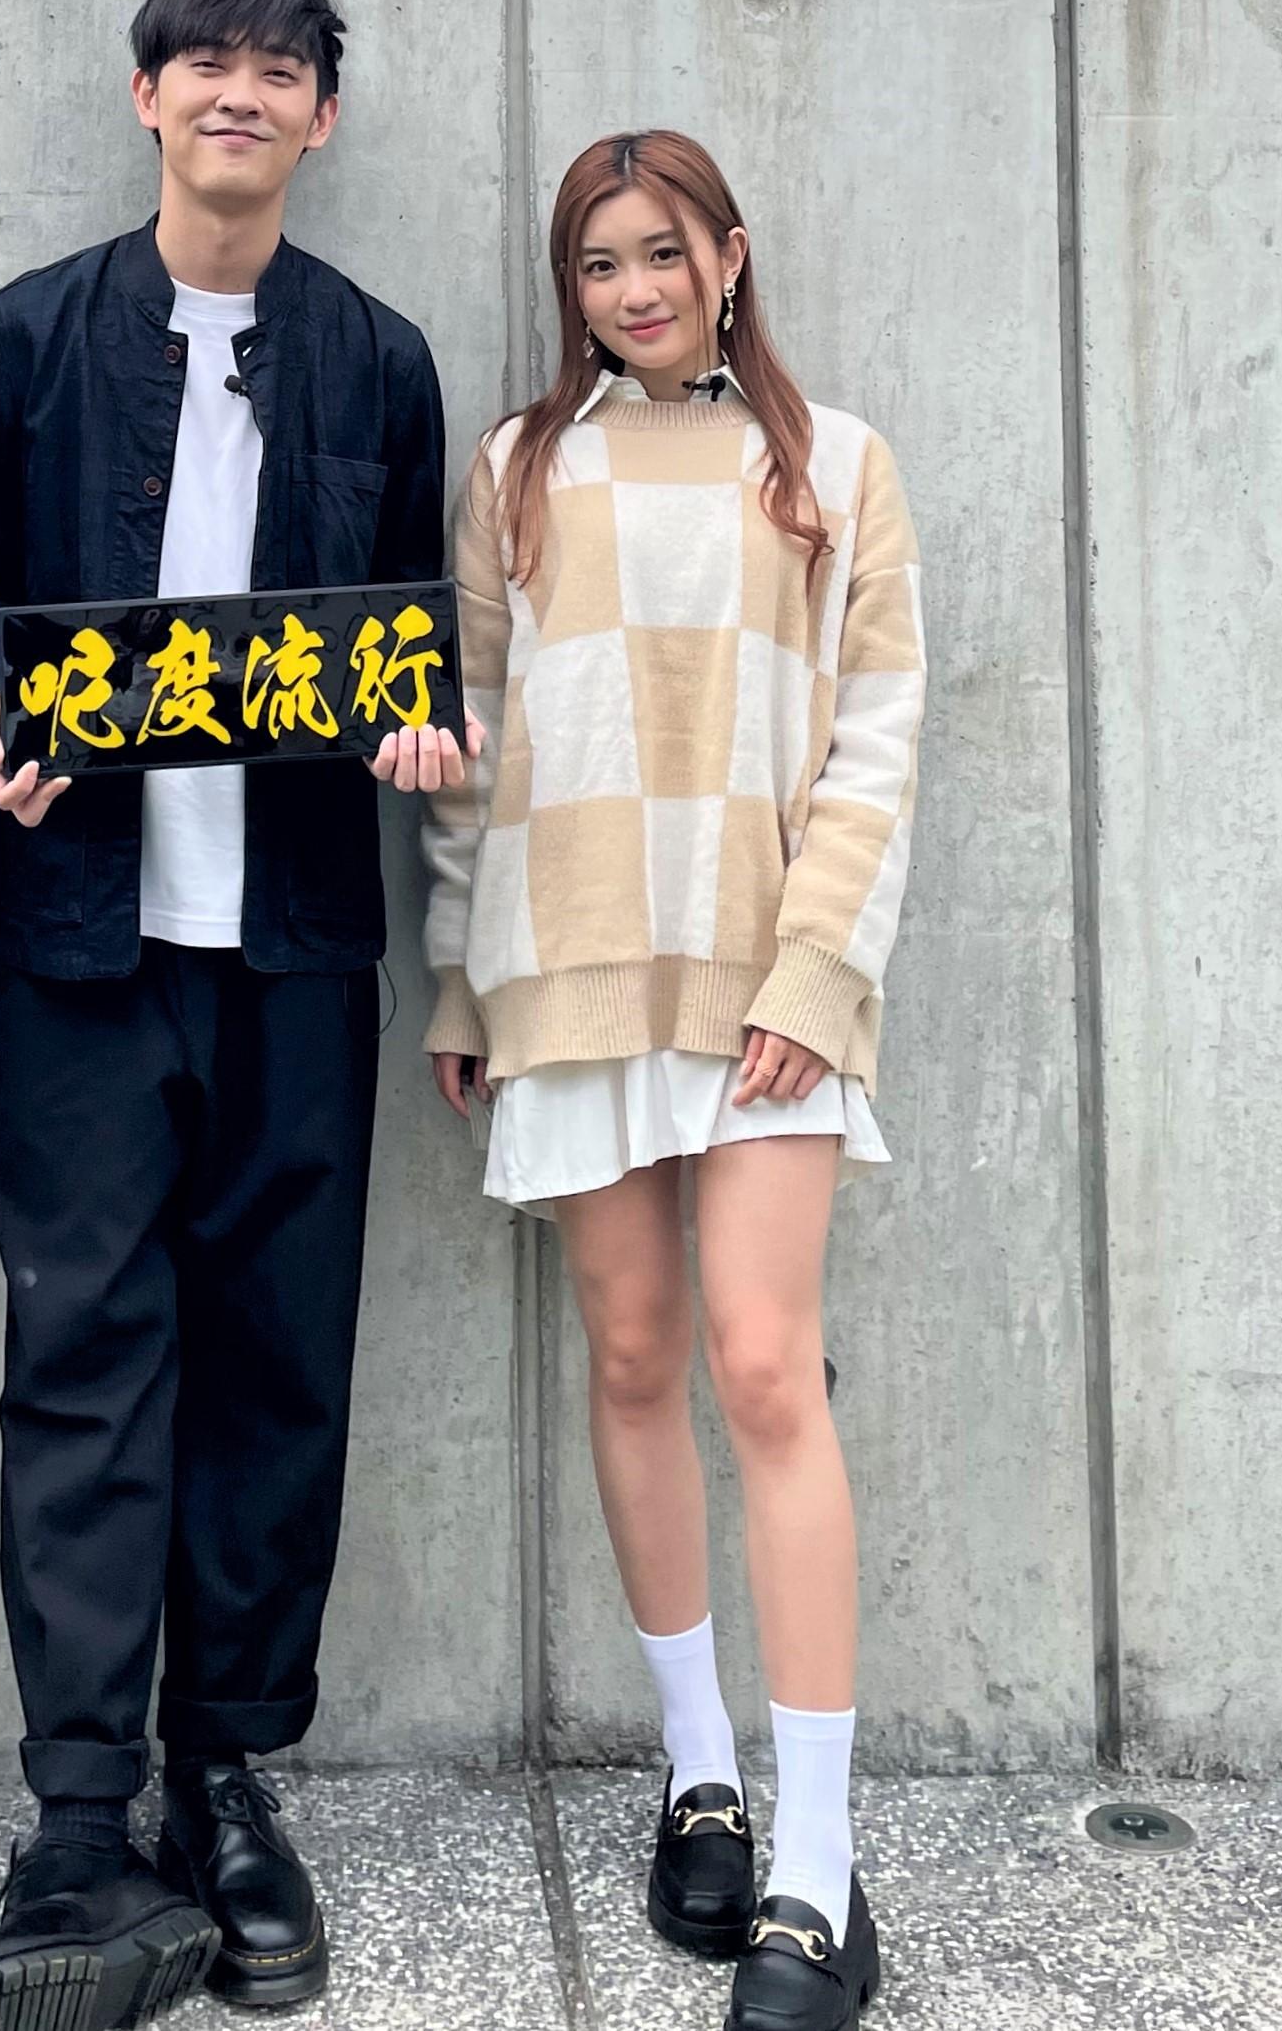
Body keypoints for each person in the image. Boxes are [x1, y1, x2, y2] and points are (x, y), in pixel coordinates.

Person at [0, 0, 469, 2031]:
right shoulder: (31, 337)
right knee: (82, 1358)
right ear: (146, 96)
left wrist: (423, 731)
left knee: (275, 1360)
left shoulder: (378, 359)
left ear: (321, 116)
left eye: (278, 69)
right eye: (203, 62)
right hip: (79, 938)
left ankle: (224, 1777)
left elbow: (412, 622)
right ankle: (77, 1817)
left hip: (297, 943)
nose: (239, 93)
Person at [422, 129, 924, 2031]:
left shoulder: (838, 464)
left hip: (764, 979)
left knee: (762, 1368)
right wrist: (456, 979)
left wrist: (817, 965)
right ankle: (697, 1776)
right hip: (562, 966)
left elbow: (876, 736)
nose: (632, 292)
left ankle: (817, 1869)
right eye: (596, 265)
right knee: (630, 1358)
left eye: (659, 254)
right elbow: (467, 737)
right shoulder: (514, 466)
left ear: (729, 255)